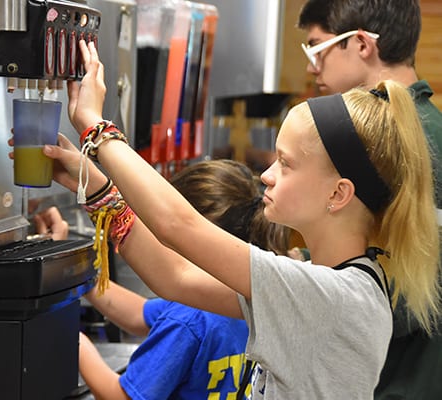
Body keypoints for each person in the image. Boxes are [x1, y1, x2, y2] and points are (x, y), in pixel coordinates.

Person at [45, 41, 441, 399]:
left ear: (337, 194)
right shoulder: (330, 284)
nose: (267, 175)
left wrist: (96, 128)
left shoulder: (327, 296)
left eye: (286, 164)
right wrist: (96, 186)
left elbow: (178, 225)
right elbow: (175, 276)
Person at [297, 1, 442, 398]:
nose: (312, 68)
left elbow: (410, 285)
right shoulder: (424, 130)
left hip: (400, 378)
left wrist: (299, 285)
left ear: (360, 44)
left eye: (317, 48)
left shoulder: (407, 141)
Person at [78, 159, 291, 399]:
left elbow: (123, 397)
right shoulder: (246, 296)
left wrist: (75, 344)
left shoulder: (189, 316)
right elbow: (139, 314)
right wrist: (78, 275)